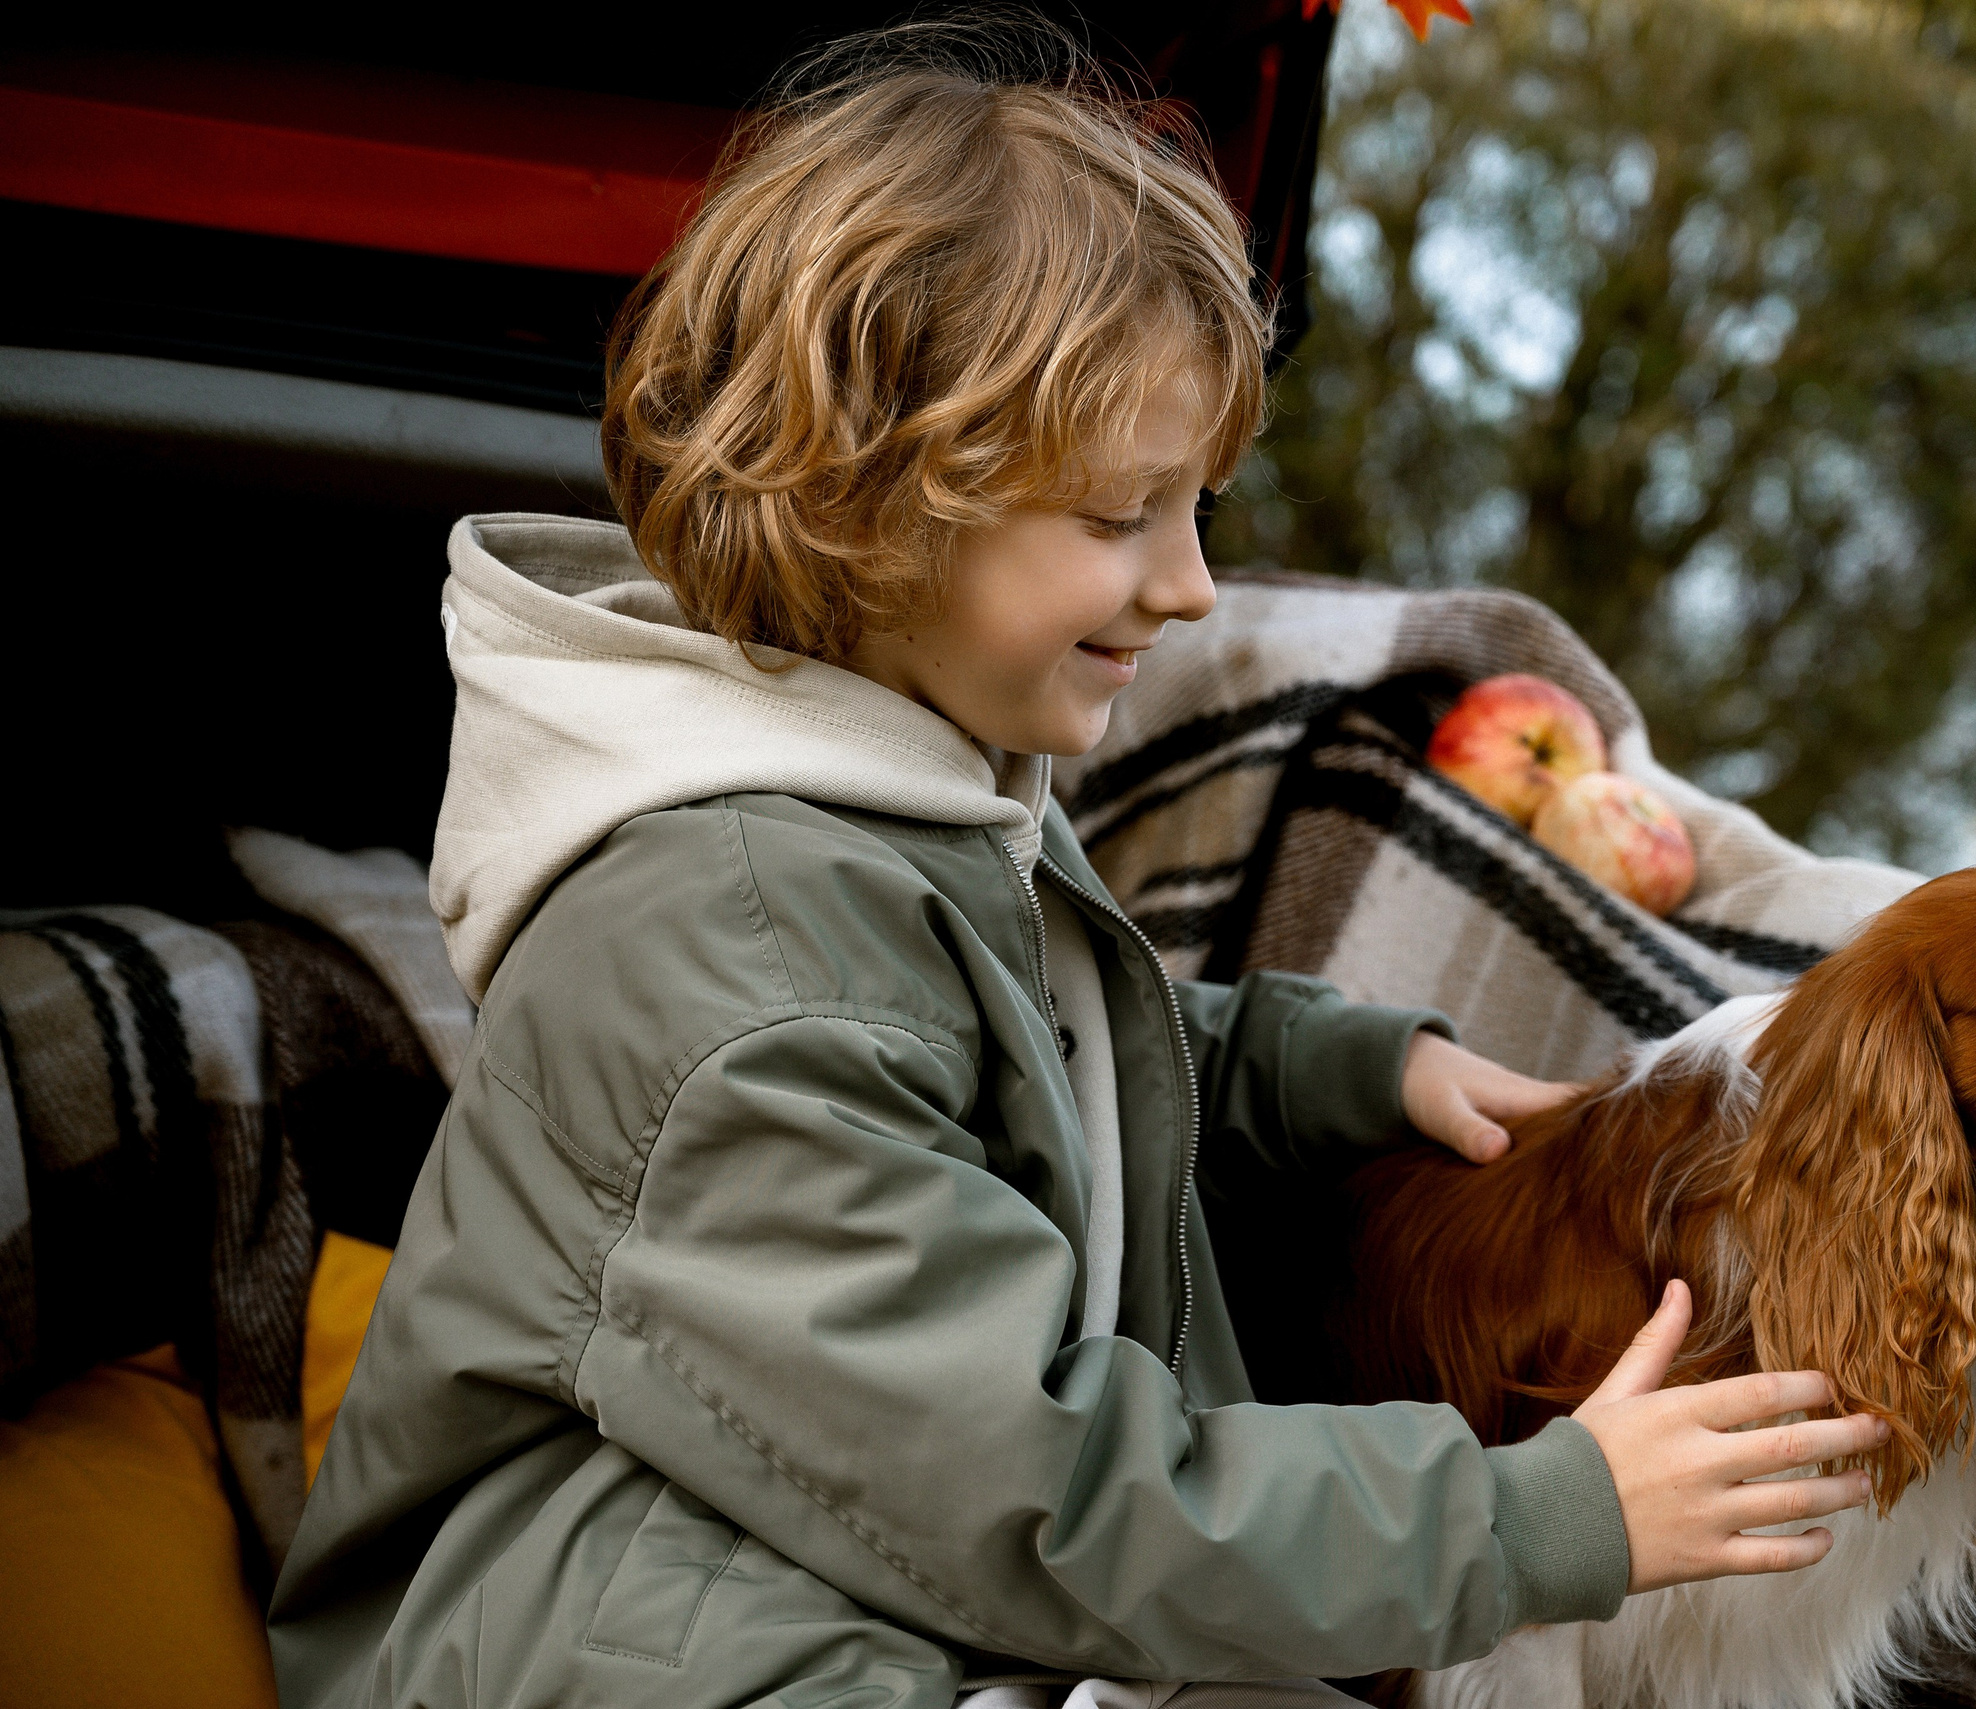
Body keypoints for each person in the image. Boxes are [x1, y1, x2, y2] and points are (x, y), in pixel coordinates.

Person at [266, 28, 1885, 1709]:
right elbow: (1042, 1488)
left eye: (1201, 507)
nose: (1191, 587)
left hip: (822, 1569)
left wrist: (1319, 1066)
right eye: (1123, 515)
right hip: (627, 1659)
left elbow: (1012, 1068)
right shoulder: (730, 955)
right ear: (879, 507)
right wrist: (1541, 1514)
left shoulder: (906, 803)